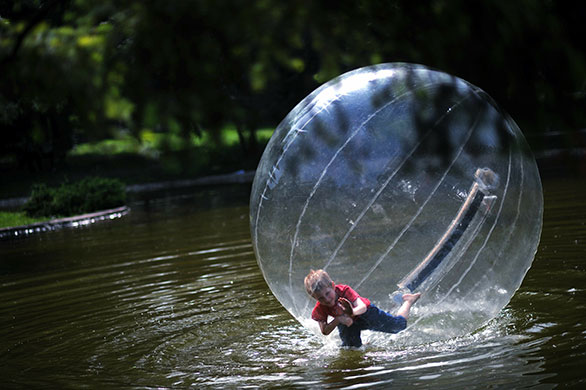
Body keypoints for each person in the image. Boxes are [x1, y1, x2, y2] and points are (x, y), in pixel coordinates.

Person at [304, 269, 421, 347]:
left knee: (398, 326)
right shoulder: (320, 308)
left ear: (332, 286)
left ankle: (408, 301)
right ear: (314, 298)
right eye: (321, 298)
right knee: (350, 349)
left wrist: (352, 311)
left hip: (366, 314)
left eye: (327, 294)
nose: (327, 300)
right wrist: (338, 319)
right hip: (347, 322)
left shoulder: (344, 291)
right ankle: (363, 345)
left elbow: (363, 307)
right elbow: (325, 330)